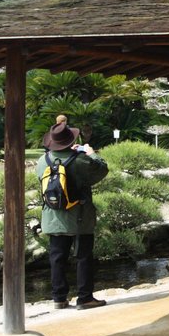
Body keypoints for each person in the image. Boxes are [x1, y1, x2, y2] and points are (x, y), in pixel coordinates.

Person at [36, 114, 110, 309]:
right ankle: (85, 297)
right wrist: (90, 152)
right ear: (71, 140)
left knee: (57, 257)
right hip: (79, 217)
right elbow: (102, 170)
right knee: (83, 256)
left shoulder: (42, 161)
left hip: (52, 217)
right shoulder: (79, 161)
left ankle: (59, 297)